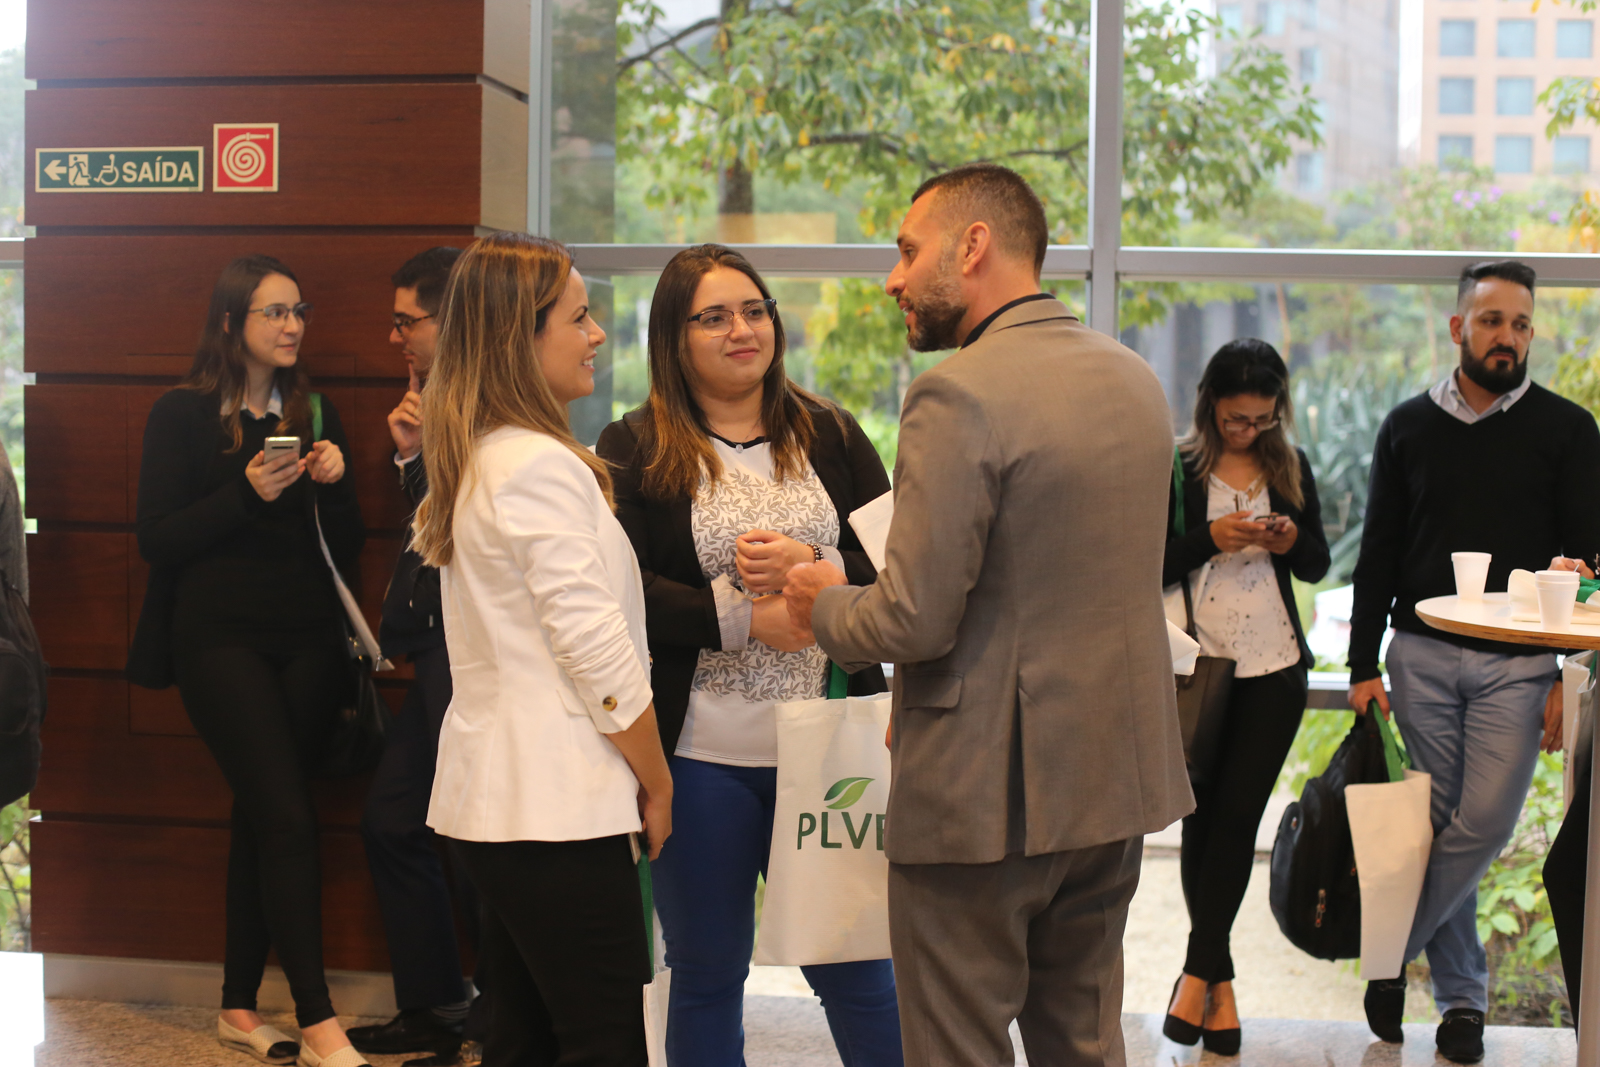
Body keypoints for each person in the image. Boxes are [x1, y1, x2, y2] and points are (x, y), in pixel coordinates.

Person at [783, 163, 1193, 1067]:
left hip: (979, 795)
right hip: (1109, 780)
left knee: (956, 1047)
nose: (893, 278)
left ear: (973, 246)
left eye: (907, 250)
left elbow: (912, 621)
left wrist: (822, 602)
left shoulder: (955, 393)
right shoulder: (1135, 379)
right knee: (1084, 1041)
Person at [595, 244, 902, 1067]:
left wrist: (817, 565)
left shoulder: (831, 431)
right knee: (704, 971)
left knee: (858, 966)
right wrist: (739, 618)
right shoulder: (632, 444)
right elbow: (622, 590)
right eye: (715, 316)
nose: (743, 329)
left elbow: (901, 565)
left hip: (830, 748)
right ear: (675, 335)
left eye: (755, 310)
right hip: (700, 757)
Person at [414, 232, 673, 1067]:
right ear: (517, 338)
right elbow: (593, 648)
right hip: (554, 805)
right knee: (602, 1041)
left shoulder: (491, 455)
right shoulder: (533, 464)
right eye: (578, 317)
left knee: (523, 1036)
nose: (596, 334)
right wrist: (656, 776)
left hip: (511, 804)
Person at [1347, 259, 1600, 1064]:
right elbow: (1377, 552)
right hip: (1419, 657)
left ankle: (1386, 953)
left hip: (1519, 666)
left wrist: (1572, 668)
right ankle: (1463, 1005)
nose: (1507, 337)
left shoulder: (1570, 430)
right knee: (1439, 822)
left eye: (1521, 324)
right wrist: (1361, 666)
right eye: (1492, 320)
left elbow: (1588, 561)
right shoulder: (1405, 427)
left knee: (1483, 822)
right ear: (1459, 327)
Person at [126, 255, 368, 1066]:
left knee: (263, 814)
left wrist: (336, 481)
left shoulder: (313, 410)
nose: (293, 325)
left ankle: (237, 1003)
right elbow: (157, 537)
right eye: (275, 312)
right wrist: (246, 493)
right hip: (217, 641)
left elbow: (345, 544)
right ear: (232, 323)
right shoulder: (181, 412)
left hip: (308, 641)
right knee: (289, 819)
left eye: (299, 310)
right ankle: (317, 1016)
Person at [1160, 339, 1329, 1054]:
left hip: (1275, 667)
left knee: (1235, 819)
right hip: (1197, 667)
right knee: (1201, 822)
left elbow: (1318, 562)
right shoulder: (1178, 467)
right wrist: (1211, 536)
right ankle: (1217, 984)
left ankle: (1196, 974)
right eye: (1236, 418)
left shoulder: (1289, 466)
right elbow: (1148, 562)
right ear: (1211, 406)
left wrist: (1287, 539)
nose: (1248, 430)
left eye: (1262, 418)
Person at [348, 246, 484, 1067]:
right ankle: (438, 1004)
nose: (396, 336)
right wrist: (412, 457)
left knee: (472, 834)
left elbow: (476, 539)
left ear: (451, 319)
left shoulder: (491, 405)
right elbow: (438, 531)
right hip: (435, 647)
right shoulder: (437, 405)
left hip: (470, 656)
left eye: (408, 321)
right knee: (395, 820)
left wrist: (428, 450)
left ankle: (498, 1017)